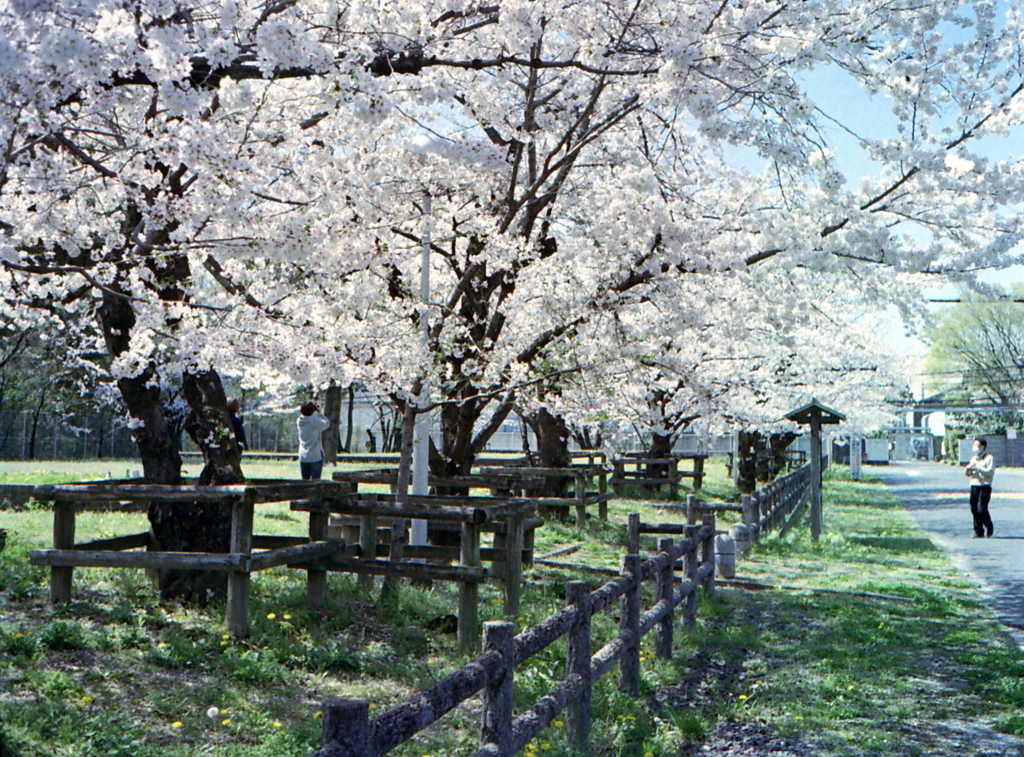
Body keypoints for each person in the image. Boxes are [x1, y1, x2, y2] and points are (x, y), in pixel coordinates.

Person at [965, 437, 995, 538]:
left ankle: (989, 526)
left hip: (984, 485)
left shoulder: (989, 458)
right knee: (974, 509)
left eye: (977, 445)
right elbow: (967, 474)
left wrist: (978, 468)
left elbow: (990, 472)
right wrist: (968, 469)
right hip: (974, 485)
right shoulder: (973, 459)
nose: (975, 447)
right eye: (974, 445)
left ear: (982, 447)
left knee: (981, 509)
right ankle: (978, 531)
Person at [297, 401, 331, 480]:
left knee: (304, 482)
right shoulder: (314, 421)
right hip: (315, 456)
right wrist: (319, 413)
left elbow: (305, 415)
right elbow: (327, 424)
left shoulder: (299, 420)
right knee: (315, 482)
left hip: (302, 456)